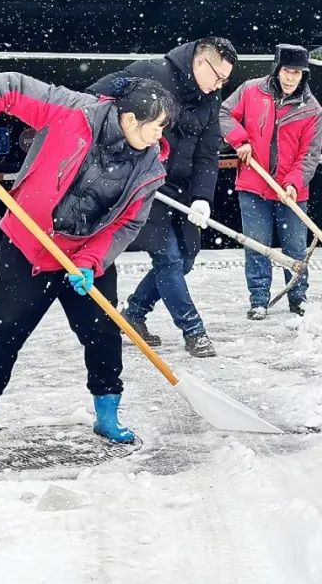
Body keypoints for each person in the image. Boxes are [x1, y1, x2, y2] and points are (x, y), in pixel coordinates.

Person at [0, 73, 174, 444]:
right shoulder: (74, 113)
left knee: (102, 334)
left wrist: (92, 261)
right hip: (31, 245)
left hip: (85, 256)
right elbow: (9, 87)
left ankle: (107, 414)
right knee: (3, 329)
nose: (160, 136)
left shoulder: (150, 169)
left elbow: (126, 224)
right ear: (129, 119)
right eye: (156, 127)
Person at [88, 37, 237, 358]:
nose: (219, 85)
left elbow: (208, 153)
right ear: (200, 63)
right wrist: (119, 150)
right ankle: (193, 330)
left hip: (181, 189)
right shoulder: (149, 72)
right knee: (167, 257)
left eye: (226, 80)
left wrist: (203, 197)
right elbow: (94, 97)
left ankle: (136, 312)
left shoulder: (211, 97)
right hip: (143, 182)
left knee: (185, 259)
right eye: (218, 77)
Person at [219, 44, 322, 319]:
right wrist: (239, 141)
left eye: (297, 73)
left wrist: (293, 182)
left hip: (292, 192)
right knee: (257, 245)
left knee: (295, 248)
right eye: (287, 71)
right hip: (254, 184)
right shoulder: (251, 91)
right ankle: (258, 300)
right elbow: (224, 114)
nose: (291, 78)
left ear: (304, 76)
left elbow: (309, 155)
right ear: (277, 70)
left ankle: (298, 298)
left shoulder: (312, 110)